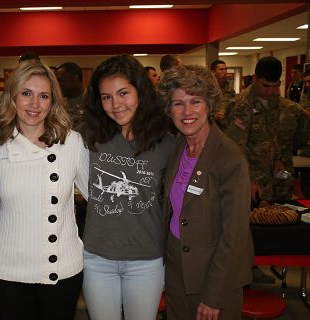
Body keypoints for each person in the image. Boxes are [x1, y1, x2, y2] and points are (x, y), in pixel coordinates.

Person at [0, 61, 89, 320]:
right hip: (7, 269)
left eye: (44, 96)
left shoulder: (72, 142)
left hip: (61, 268)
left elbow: (96, 194)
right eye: (26, 94)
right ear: (12, 97)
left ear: (53, 101)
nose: (34, 104)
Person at [79, 54, 175, 320]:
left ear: (140, 92)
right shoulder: (85, 137)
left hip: (146, 259)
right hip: (97, 258)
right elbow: (44, 141)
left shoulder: (166, 143)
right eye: (106, 97)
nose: (115, 104)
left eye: (123, 93)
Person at [158, 64, 254, 320]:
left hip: (215, 275)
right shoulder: (179, 145)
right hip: (177, 271)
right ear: (169, 109)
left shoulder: (229, 158)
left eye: (195, 101)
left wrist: (214, 295)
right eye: (178, 103)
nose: (187, 111)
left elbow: (234, 237)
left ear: (210, 105)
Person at [225, 56, 307, 202]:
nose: (270, 91)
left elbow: (273, 134)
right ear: (255, 78)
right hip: (252, 182)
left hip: (277, 177)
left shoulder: (276, 101)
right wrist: (247, 179)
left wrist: (277, 158)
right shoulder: (240, 106)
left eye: (275, 86)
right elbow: (232, 148)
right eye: (265, 86)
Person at [56, 62, 85, 128]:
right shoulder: (58, 104)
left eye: (61, 80)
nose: (58, 85)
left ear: (75, 78)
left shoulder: (93, 101)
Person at [210, 59, 236, 129]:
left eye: (225, 69)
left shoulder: (229, 88)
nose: (225, 72)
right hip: (212, 126)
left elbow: (235, 104)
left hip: (227, 126)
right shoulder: (207, 88)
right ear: (213, 72)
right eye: (221, 69)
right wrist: (214, 115)